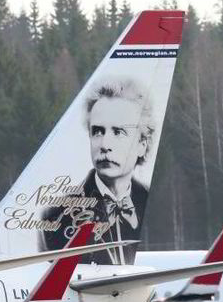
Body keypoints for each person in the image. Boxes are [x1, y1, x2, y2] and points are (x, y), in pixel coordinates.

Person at [40, 78, 155, 264]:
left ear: (142, 145)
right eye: (98, 132)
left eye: (118, 132)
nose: (105, 145)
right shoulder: (56, 216)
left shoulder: (147, 202)